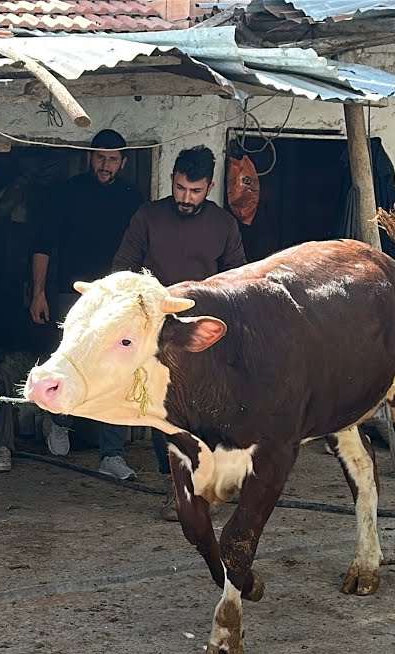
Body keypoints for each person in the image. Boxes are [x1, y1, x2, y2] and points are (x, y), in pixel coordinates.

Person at [112, 145, 247, 519]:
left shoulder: (224, 224)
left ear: (209, 187)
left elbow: (237, 279)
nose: (186, 198)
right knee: (165, 411)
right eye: (180, 188)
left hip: (207, 332)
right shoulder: (148, 216)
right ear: (172, 179)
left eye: (195, 191)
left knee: (210, 410)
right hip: (159, 331)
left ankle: (211, 484)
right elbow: (122, 267)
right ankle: (178, 489)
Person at [30, 129, 145, 480]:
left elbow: (143, 248)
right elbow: (43, 245)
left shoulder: (133, 198)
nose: (105, 165)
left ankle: (112, 454)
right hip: (71, 295)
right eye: (99, 157)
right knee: (67, 361)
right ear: (88, 158)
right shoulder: (66, 194)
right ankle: (58, 421)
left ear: (123, 162)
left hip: (116, 298)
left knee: (114, 369)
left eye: (112, 159)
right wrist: (39, 292)